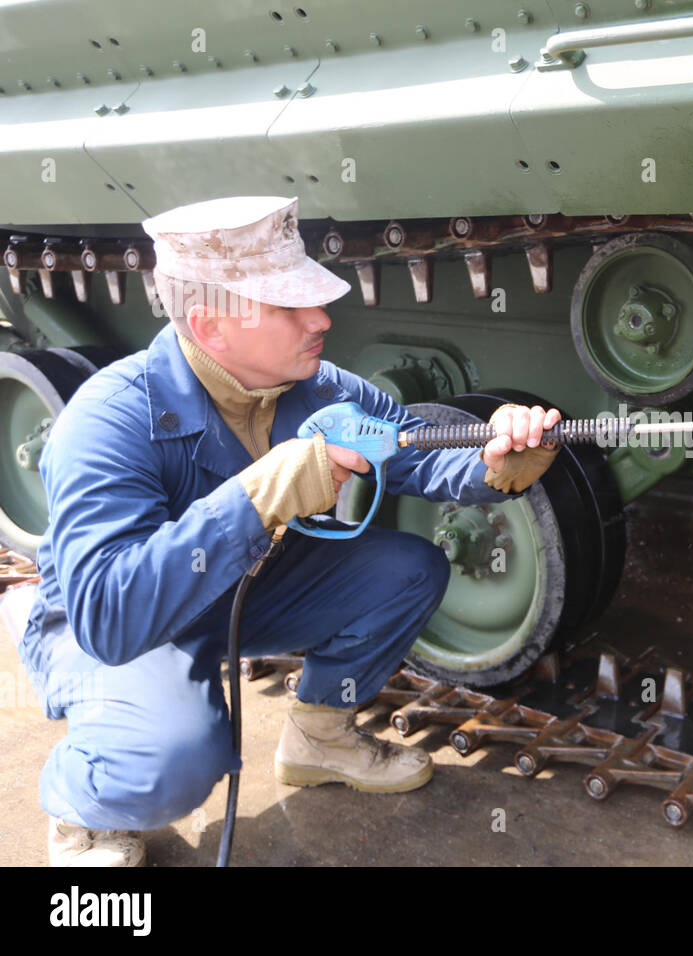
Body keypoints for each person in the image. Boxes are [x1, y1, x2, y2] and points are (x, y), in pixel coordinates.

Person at [19, 195, 561, 866]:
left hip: (236, 591)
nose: (321, 319)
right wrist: (260, 494)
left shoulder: (318, 388)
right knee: (178, 752)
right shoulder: (106, 422)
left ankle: (319, 737)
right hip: (116, 622)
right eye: (288, 307)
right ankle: (85, 807)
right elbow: (108, 617)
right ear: (211, 328)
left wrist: (495, 459)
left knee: (408, 569)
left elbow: (415, 452)